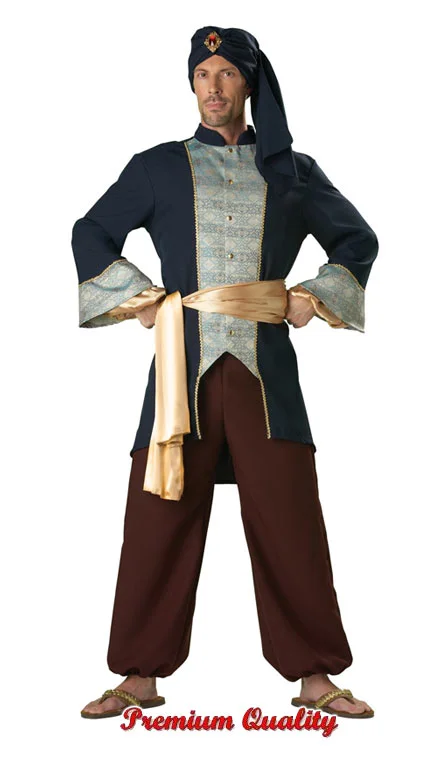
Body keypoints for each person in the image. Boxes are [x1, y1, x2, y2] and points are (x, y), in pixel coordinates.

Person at [73, 26, 378, 720]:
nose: (213, 87)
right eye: (202, 74)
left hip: (267, 376)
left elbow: (358, 240)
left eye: (227, 74)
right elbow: (90, 231)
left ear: (250, 83)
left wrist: (313, 296)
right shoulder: (157, 167)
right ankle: (139, 675)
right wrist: (139, 298)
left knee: (290, 517)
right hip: (182, 370)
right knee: (159, 514)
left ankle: (315, 675)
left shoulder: (294, 172)